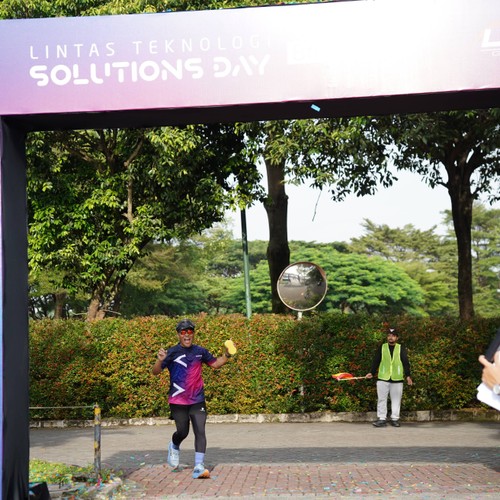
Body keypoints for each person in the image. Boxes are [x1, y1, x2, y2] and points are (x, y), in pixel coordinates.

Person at [152, 319, 233, 479]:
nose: (187, 335)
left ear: (193, 334)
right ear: (178, 334)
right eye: (183, 332)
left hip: (197, 399)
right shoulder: (172, 352)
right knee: (183, 432)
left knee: (200, 430)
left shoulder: (200, 351)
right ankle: (174, 445)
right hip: (178, 400)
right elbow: (155, 372)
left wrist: (227, 354)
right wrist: (160, 360)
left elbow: (216, 364)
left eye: (190, 331)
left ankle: (198, 466)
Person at [366, 327, 413, 427]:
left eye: (393, 336)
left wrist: (408, 376)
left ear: (397, 338)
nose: (391, 337)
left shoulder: (401, 348)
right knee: (381, 399)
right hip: (383, 377)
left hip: (397, 378)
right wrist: (371, 372)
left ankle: (395, 419)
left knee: (396, 400)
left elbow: (405, 362)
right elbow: (376, 360)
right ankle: (381, 419)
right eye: (389, 335)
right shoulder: (382, 347)